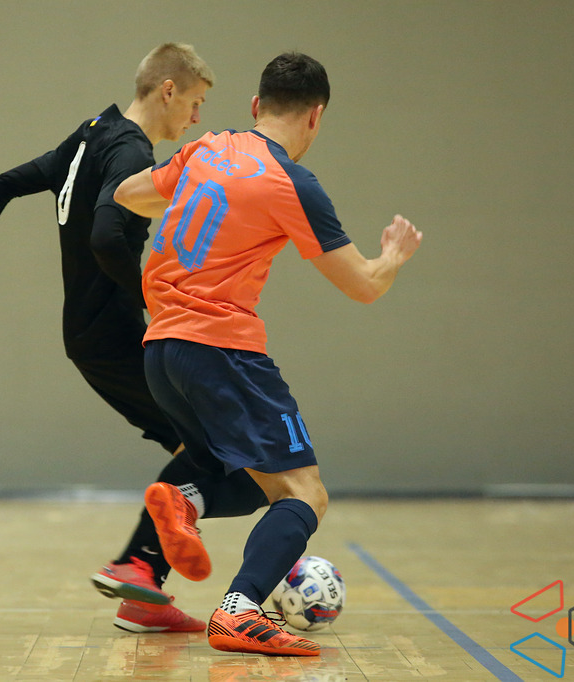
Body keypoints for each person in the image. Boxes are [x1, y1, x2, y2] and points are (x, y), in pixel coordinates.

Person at [114, 52, 422, 656]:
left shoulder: (206, 149)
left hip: (161, 352)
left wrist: (186, 193)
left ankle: (185, 499)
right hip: (220, 350)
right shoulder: (291, 182)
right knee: (306, 493)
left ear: (256, 105)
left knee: (256, 483)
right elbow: (364, 285)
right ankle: (240, 610)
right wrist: (393, 256)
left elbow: (129, 192)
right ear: (316, 116)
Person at [0, 43, 216, 633]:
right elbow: (107, 238)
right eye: (194, 102)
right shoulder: (131, 151)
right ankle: (138, 568)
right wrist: (155, 301)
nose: (196, 117)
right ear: (167, 90)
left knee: (196, 449)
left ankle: (143, 591)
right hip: (114, 332)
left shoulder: (92, 133)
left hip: (89, 332)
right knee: (211, 447)